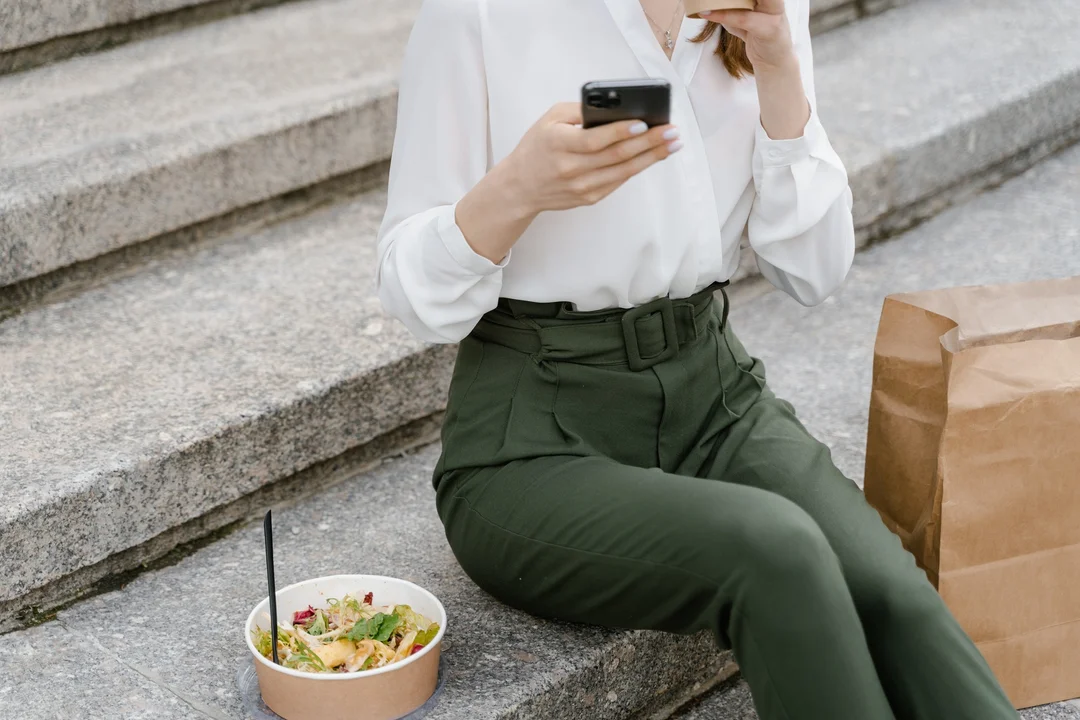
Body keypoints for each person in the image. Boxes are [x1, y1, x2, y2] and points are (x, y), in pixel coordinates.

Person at [375, 0, 1019, 717]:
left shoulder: (767, 14)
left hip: (713, 398)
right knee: (778, 551)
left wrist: (779, 70)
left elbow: (813, 270)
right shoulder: (484, 14)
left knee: (893, 596)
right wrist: (517, 190)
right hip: (531, 434)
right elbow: (412, 292)